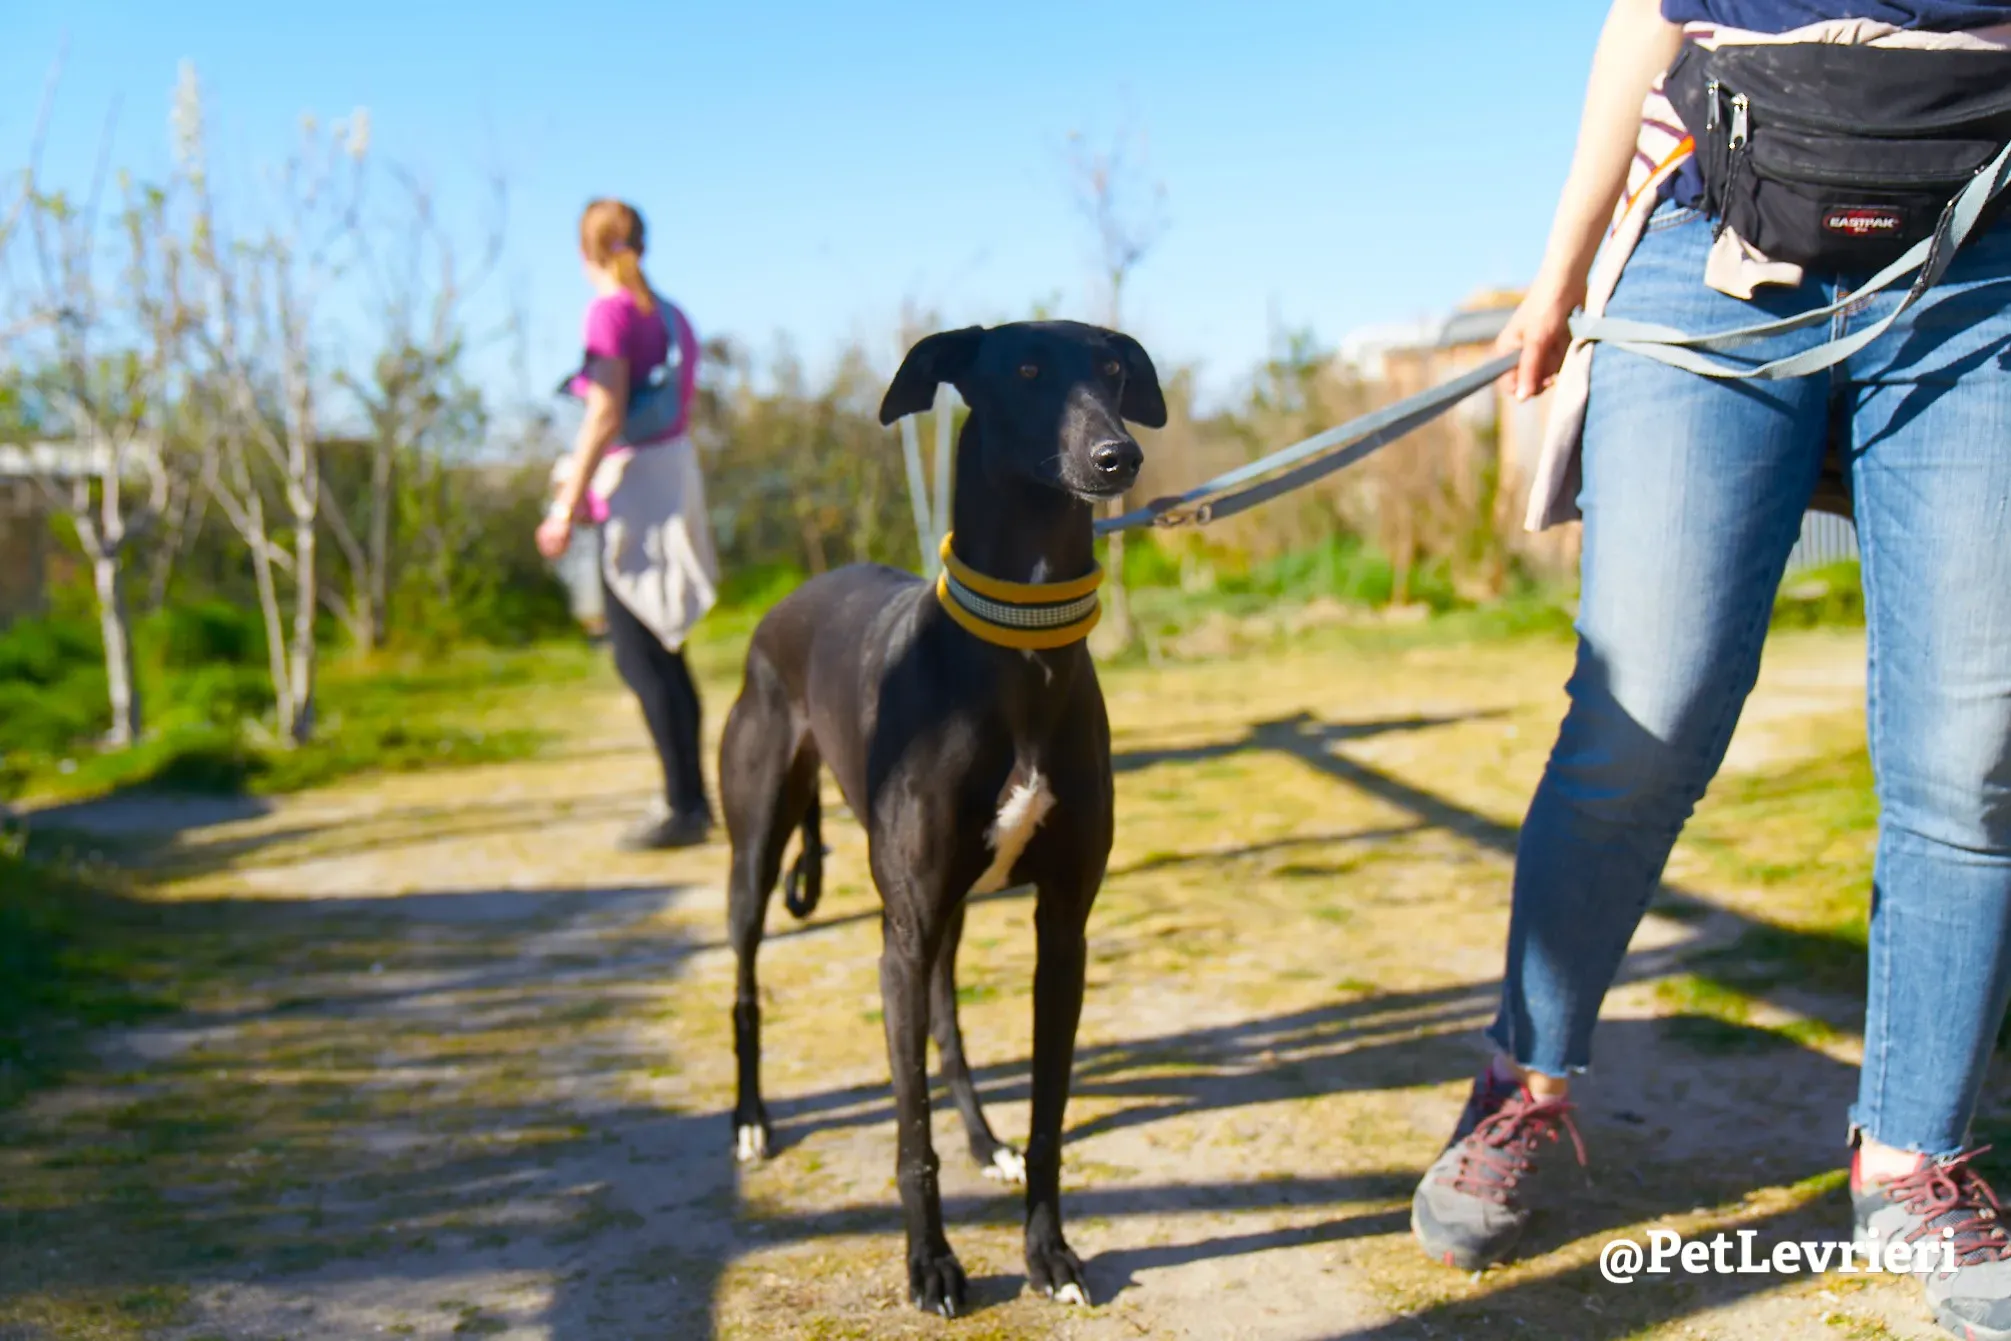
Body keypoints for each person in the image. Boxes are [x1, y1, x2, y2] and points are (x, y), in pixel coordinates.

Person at [1408, 1, 2011, 1335]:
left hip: (1984, 239)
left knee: (1968, 751)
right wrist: (1559, 266)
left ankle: (1910, 1159)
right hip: (1713, 225)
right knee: (1643, 707)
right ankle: (1521, 1085)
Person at [537, 199, 720, 850]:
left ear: (586, 251)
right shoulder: (672, 316)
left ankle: (684, 804)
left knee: (639, 655)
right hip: (672, 480)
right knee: (665, 652)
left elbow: (606, 411)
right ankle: (690, 799)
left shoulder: (610, 312)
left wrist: (565, 503)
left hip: (633, 493)